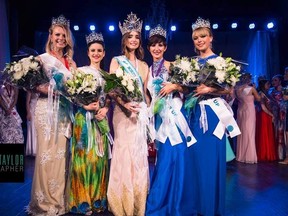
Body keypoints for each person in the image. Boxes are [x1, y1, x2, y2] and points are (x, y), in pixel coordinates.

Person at [187, 17, 241, 216]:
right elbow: (187, 88)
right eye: (195, 38)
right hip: (194, 114)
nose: (199, 40)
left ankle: (211, 206)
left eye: (203, 36)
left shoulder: (220, 62)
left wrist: (210, 89)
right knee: (195, 159)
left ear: (211, 38)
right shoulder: (190, 63)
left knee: (210, 159)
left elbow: (228, 91)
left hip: (212, 113)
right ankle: (197, 205)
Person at [26, 14, 76, 215]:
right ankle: (44, 202)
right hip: (45, 110)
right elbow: (31, 85)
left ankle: (58, 202)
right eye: (57, 35)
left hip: (63, 112)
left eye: (64, 36)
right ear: (50, 36)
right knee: (46, 157)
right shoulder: (41, 59)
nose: (60, 39)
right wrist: (49, 90)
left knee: (61, 157)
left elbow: (73, 88)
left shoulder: (70, 63)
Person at [145, 24, 196, 215]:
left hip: (175, 115)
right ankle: (161, 200)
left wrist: (174, 86)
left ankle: (178, 203)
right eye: (153, 45)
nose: (156, 49)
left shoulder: (173, 66)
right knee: (164, 158)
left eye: (160, 45)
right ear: (149, 48)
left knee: (179, 156)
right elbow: (147, 97)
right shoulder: (147, 70)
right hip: (160, 118)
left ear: (165, 47)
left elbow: (187, 89)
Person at [106, 12, 150, 216]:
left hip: (139, 115)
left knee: (139, 155)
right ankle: (120, 200)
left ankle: (137, 201)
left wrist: (147, 114)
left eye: (137, 37)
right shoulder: (116, 61)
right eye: (130, 36)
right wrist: (125, 104)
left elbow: (146, 95)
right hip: (123, 115)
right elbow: (112, 89)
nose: (133, 40)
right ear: (124, 39)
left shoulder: (144, 65)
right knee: (123, 153)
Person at [67, 32, 111, 215]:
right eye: (93, 50)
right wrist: (84, 105)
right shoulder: (81, 72)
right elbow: (71, 95)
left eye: (99, 50)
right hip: (82, 120)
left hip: (98, 120)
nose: (96, 53)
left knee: (98, 159)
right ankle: (82, 200)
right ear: (87, 52)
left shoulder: (107, 75)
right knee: (83, 159)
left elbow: (108, 99)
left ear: (104, 53)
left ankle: (97, 198)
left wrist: (105, 109)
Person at [235, 73, 261, 163]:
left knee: (242, 132)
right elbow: (258, 99)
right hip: (249, 111)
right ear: (249, 80)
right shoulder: (251, 88)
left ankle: (241, 156)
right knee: (249, 132)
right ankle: (249, 156)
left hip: (241, 111)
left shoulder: (237, 89)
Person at [256, 79, 278, 161]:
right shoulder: (261, 94)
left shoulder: (267, 94)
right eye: (267, 84)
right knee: (264, 134)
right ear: (263, 85)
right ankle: (265, 154)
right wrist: (271, 114)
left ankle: (268, 153)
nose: (269, 85)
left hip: (267, 115)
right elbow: (263, 107)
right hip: (264, 115)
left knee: (268, 133)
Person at [25, 91, 39, 156]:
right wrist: (28, 113)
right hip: (32, 110)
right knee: (33, 129)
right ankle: (33, 149)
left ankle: (39, 148)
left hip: (40, 110)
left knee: (38, 130)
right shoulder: (30, 89)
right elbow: (27, 102)